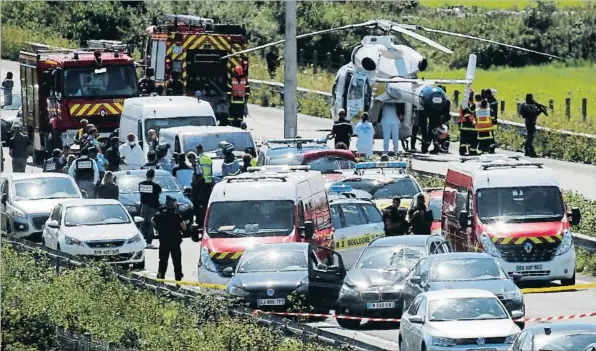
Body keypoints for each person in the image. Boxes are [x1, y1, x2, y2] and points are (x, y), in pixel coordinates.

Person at [153, 195, 186, 281]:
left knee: (163, 261)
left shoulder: (159, 215)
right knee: (177, 262)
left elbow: (153, 222)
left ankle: (161, 276)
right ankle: (178, 278)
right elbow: (184, 227)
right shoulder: (177, 215)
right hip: (175, 242)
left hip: (164, 242)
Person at [139, 169, 162, 248]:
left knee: (142, 223)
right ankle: (149, 242)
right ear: (153, 176)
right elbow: (159, 192)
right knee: (151, 224)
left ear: (146, 175)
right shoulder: (156, 186)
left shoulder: (141, 184)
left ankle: (141, 241)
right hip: (153, 207)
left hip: (144, 206)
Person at [519, 93, 547, 158]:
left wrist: (538, 106)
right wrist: (540, 110)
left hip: (528, 122)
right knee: (530, 137)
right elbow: (533, 114)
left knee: (529, 136)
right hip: (530, 122)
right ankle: (531, 152)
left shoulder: (526, 105)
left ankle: (527, 151)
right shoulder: (528, 106)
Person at [458, 90, 478, 156]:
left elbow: (461, 114)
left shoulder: (463, 104)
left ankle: (462, 151)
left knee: (463, 140)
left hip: (464, 125)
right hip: (471, 125)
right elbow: (471, 113)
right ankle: (472, 151)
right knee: (473, 139)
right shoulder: (472, 104)